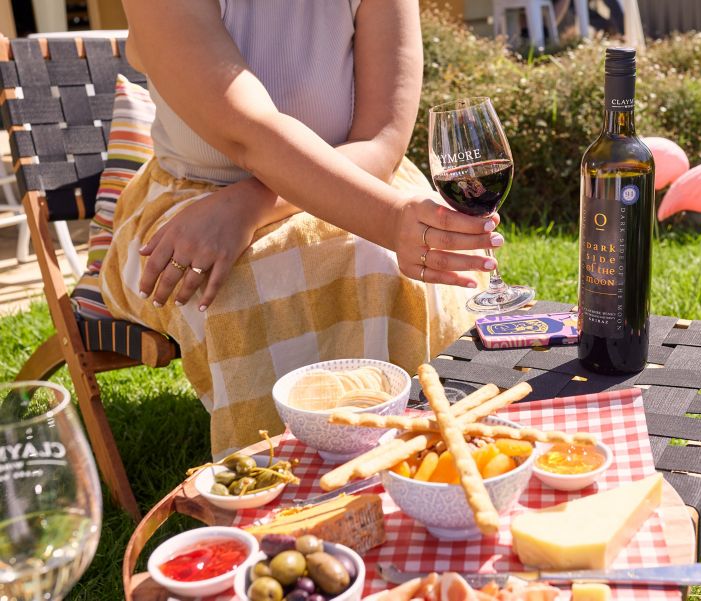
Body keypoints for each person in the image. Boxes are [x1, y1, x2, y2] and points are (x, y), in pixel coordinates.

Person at [102, 0, 499, 457]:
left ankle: (428, 455)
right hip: (197, 197)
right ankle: (283, 486)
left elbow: (380, 141)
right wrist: (391, 219)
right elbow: (247, 132)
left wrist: (253, 203)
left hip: (361, 176)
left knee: (392, 269)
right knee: (250, 287)